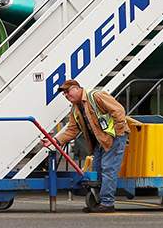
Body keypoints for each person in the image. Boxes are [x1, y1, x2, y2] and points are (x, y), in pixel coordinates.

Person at [42, 79, 135, 213]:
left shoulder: (96, 96)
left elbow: (118, 110)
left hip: (114, 138)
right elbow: (72, 130)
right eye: (65, 95)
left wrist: (119, 132)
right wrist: (54, 141)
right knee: (97, 171)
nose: (67, 96)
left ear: (76, 88)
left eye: (68, 92)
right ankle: (99, 201)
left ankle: (107, 203)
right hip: (100, 141)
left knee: (108, 169)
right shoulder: (75, 108)